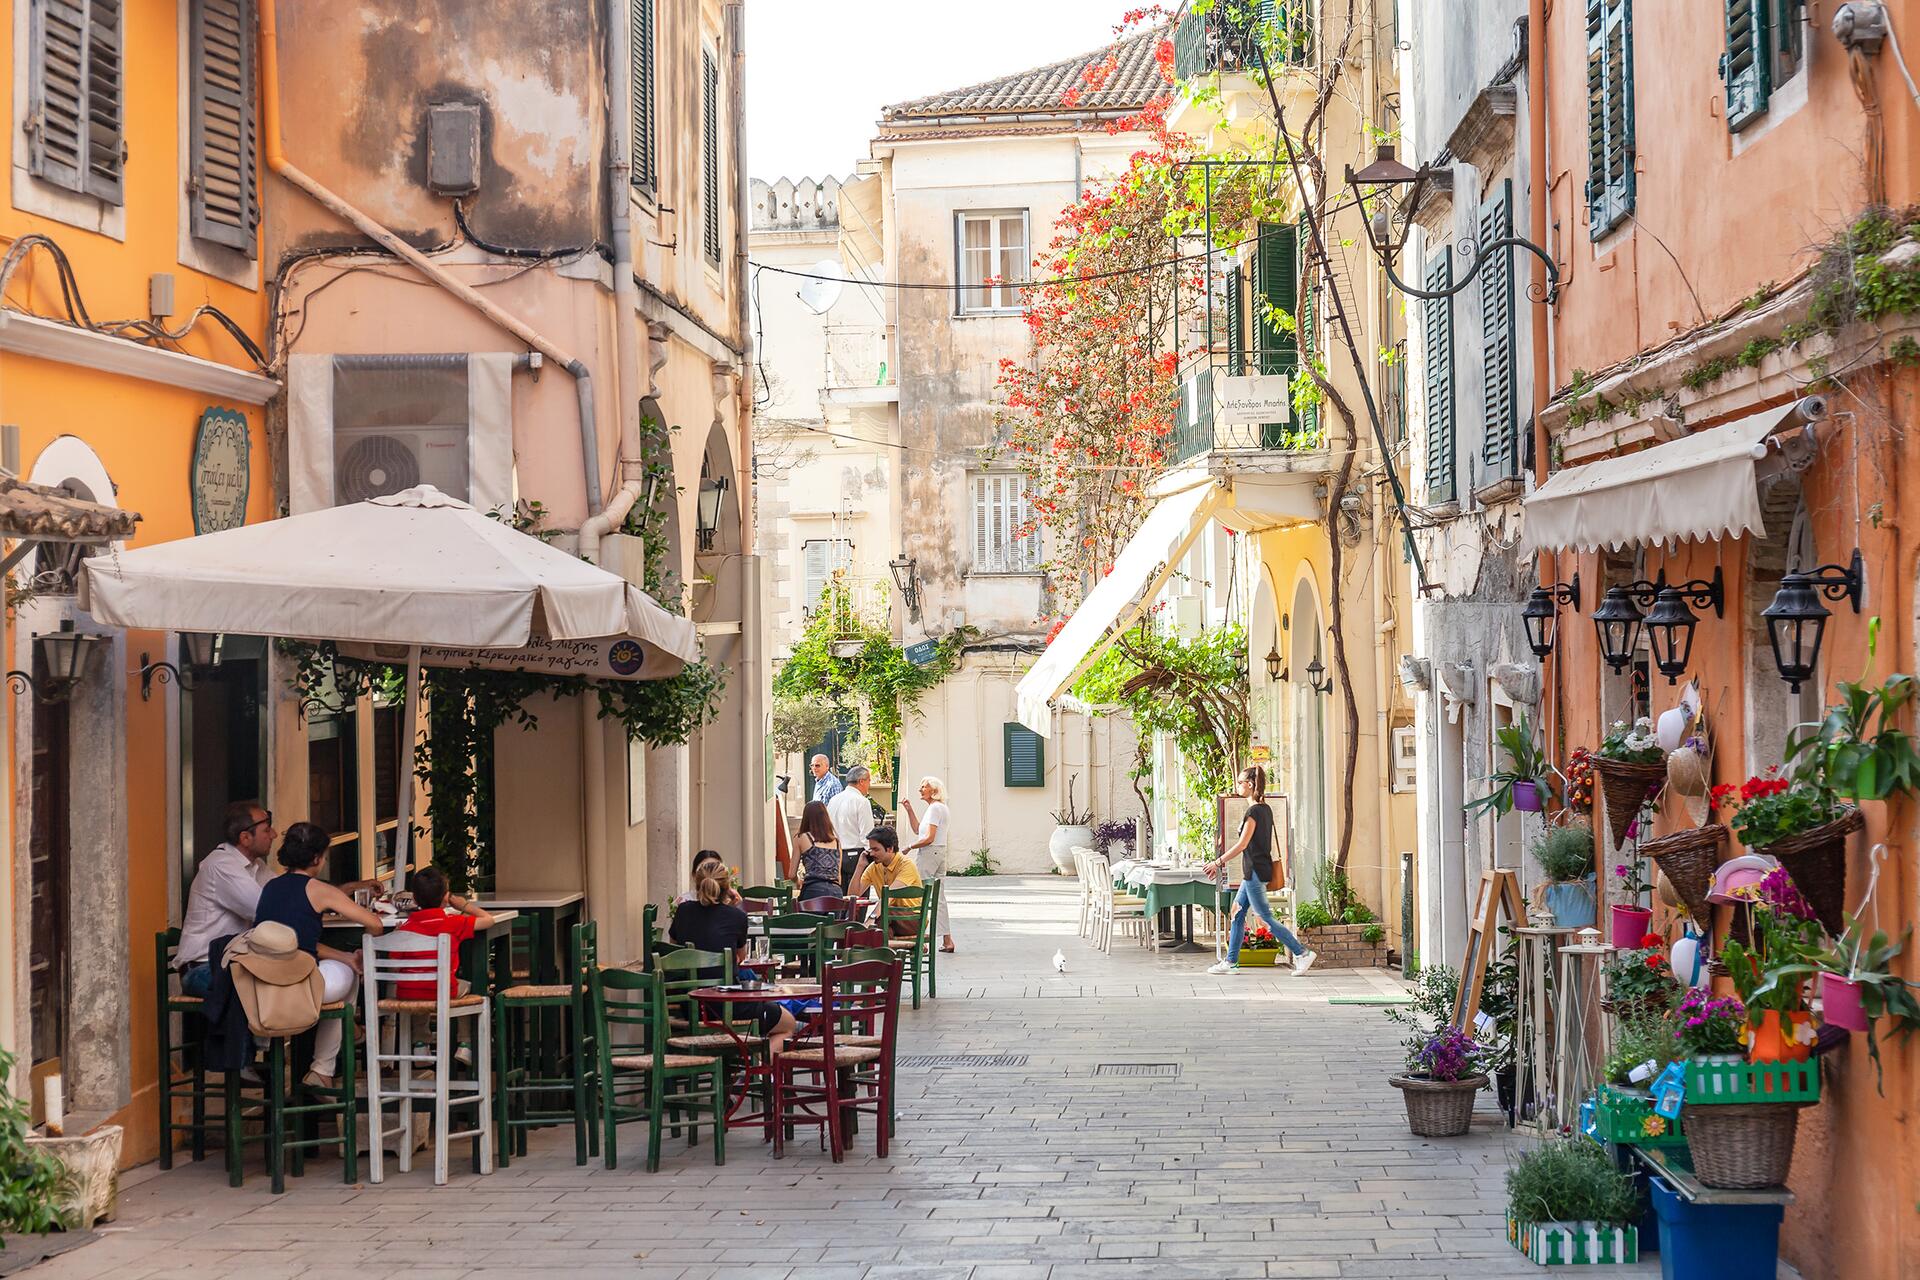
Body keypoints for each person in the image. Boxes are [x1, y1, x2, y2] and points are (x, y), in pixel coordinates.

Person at [252, 822, 386, 1088]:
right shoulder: (318, 890)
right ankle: (324, 1066)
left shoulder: (270, 888)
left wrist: (344, 956)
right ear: (316, 858)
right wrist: (358, 953)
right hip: (299, 986)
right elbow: (375, 924)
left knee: (346, 964)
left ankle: (339, 1048)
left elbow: (298, 942)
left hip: (264, 986)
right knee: (351, 972)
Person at [670, 860, 797, 1054]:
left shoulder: (683, 912)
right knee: (788, 1024)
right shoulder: (736, 917)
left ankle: (741, 1069)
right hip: (726, 1005)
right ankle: (753, 1073)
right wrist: (734, 907)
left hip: (690, 1006)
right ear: (727, 887)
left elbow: (674, 949)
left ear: (697, 884)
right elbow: (740, 958)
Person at [1203, 765, 1316, 976]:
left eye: (1240, 782)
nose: (1238, 785)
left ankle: (1302, 953)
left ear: (1250, 784)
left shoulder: (1255, 811)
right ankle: (1230, 962)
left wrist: (1217, 862)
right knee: (1237, 913)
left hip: (1255, 871)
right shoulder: (1265, 809)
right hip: (1252, 872)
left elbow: (1242, 844)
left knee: (1265, 917)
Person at [175, 802, 279, 998]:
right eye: (267, 830)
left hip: (232, 963)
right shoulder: (221, 865)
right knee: (268, 990)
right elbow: (264, 910)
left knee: (288, 982)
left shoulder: (256, 866)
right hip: (202, 968)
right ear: (245, 838)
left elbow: (285, 891)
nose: (273, 835)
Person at [392, 866, 496, 1001]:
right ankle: (461, 1022)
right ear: (446, 897)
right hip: (443, 991)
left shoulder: (405, 929)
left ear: (415, 899)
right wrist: (463, 906)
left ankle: (419, 1023)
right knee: (465, 985)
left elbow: (394, 967)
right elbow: (489, 920)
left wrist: (395, 935)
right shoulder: (453, 923)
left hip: (407, 993)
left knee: (418, 991)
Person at [900, 776, 955, 953]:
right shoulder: (939, 808)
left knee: (917, 894)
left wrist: (909, 847)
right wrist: (909, 810)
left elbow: (928, 838)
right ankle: (947, 940)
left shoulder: (934, 809)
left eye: (924, 787)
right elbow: (918, 830)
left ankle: (919, 939)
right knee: (939, 898)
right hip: (940, 852)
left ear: (934, 791)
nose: (920, 789)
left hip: (929, 853)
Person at [855, 827, 923, 937]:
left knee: (883, 915)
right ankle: (889, 949)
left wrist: (871, 918)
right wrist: (860, 866)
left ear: (890, 849)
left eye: (876, 849)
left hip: (913, 919)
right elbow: (853, 895)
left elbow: (889, 896)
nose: (871, 854)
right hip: (889, 919)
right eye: (870, 849)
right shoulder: (874, 867)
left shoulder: (906, 865)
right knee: (879, 932)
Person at [828, 766, 878, 890]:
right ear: (861, 781)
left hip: (835, 854)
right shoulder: (861, 801)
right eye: (869, 781)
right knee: (857, 900)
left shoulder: (833, 800)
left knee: (840, 898)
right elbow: (867, 834)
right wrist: (871, 855)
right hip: (856, 856)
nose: (869, 785)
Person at [793, 801, 843, 902]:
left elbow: (791, 874)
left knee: (806, 916)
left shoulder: (801, 837)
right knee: (833, 918)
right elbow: (838, 877)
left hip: (813, 891)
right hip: (836, 892)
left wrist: (799, 882)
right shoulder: (837, 842)